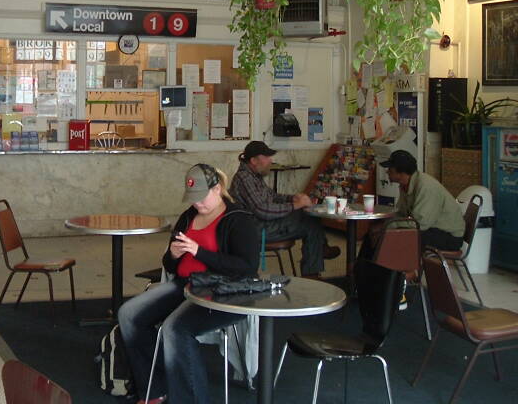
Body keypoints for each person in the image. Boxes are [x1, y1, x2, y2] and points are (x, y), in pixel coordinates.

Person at [118, 163, 260, 404]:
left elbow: (246, 268)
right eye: (193, 199)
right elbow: (171, 266)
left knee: (175, 328)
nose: (198, 204)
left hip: (220, 290)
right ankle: (155, 387)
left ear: (218, 189)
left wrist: (199, 252)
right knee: (128, 314)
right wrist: (172, 255)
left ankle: (190, 399)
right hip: (185, 284)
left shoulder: (239, 220)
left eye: (202, 197)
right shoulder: (188, 217)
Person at [229, 141, 340, 279]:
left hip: (261, 224)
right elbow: (263, 210)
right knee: (309, 222)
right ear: (253, 160)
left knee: (308, 215)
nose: (271, 160)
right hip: (256, 229)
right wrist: (295, 206)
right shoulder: (244, 178)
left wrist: (292, 198)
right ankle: (312, 271)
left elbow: (273, 196)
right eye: (267, 157)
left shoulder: (253, 175)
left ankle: (319, 251)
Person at [365, 150, 465, 252]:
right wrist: (384, 222)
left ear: (401, 173)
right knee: (374, 233)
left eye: (390, 169)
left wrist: (388, 225)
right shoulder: (405, 185)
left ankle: (388, 267)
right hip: (430, 229)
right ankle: (363, 267)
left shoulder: (426, 187)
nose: (387, 171)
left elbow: (420, 224)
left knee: (392, 237)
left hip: (448, 236)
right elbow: (402, 213)